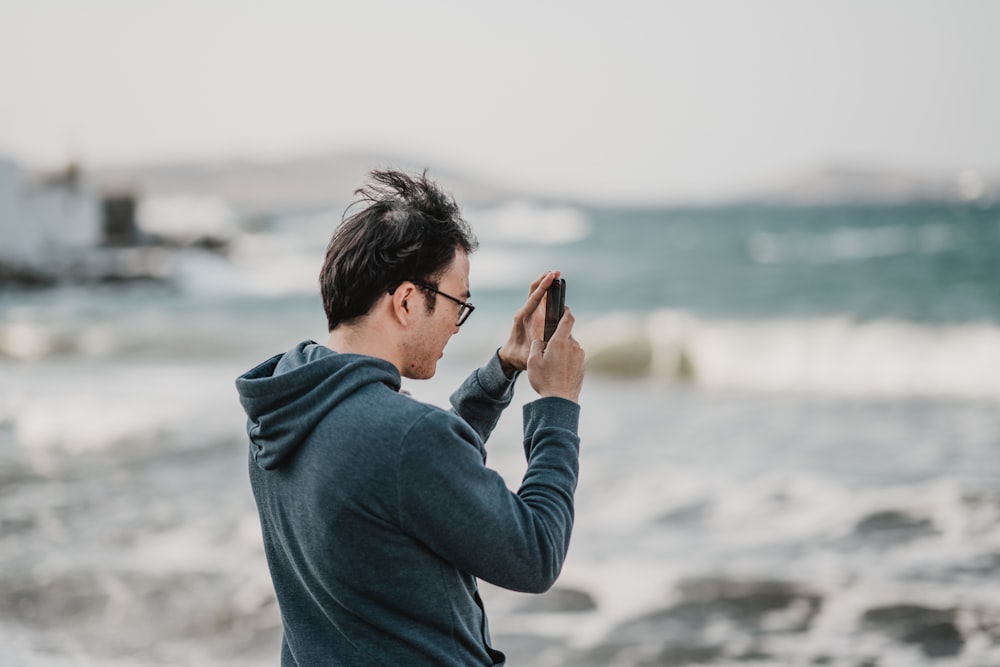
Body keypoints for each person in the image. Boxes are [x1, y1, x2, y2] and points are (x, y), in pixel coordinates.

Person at [235, 169, 586, 666]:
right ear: (405, 301)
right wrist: (558, 405)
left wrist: (504, 367)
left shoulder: (283, 406)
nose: (457, 324)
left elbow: (400, 471)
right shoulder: (405, 439)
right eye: (457, 304)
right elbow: (535, 556)